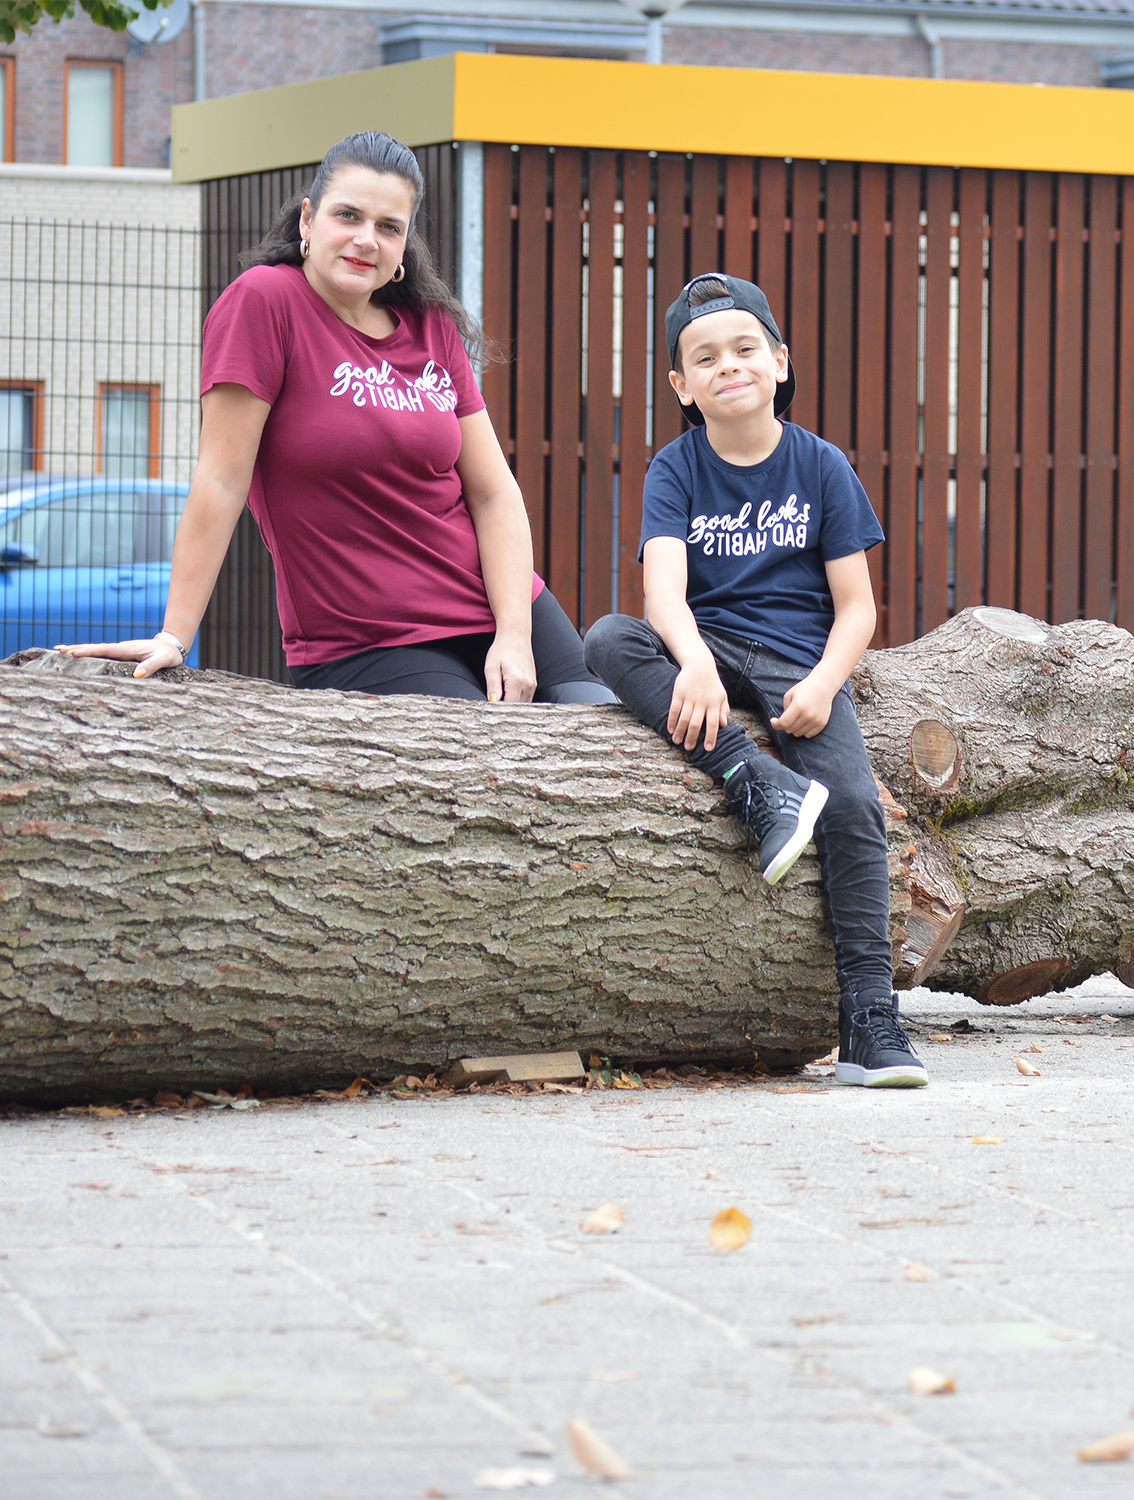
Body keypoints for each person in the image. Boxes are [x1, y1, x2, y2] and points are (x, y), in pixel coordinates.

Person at [58, 131, 612, 707]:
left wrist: (515, 635)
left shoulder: (429, 327)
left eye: (388, 227)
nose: (365, 240)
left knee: (599, 736)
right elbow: (220, 480)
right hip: (369, 639)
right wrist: (175, 635)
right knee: (480, 765)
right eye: (348, 215)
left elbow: (494, 493)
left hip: (500, 604)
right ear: (307, 219)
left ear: (404, 244)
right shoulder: (264, 303)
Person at [584, 273, 927, 1089]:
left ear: (779, 361)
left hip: (799, 661)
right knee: (606, 640)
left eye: (744, 349)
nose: (726, 366)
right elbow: (661, 592)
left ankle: (869, 1018)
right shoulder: (676, 468)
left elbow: (858, 607)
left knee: (850, 807)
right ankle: (758, 782)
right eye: (704, 357)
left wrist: (823, 683)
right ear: (681, 385)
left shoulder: (822, 466)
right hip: (707, 646)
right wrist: (694, 661)